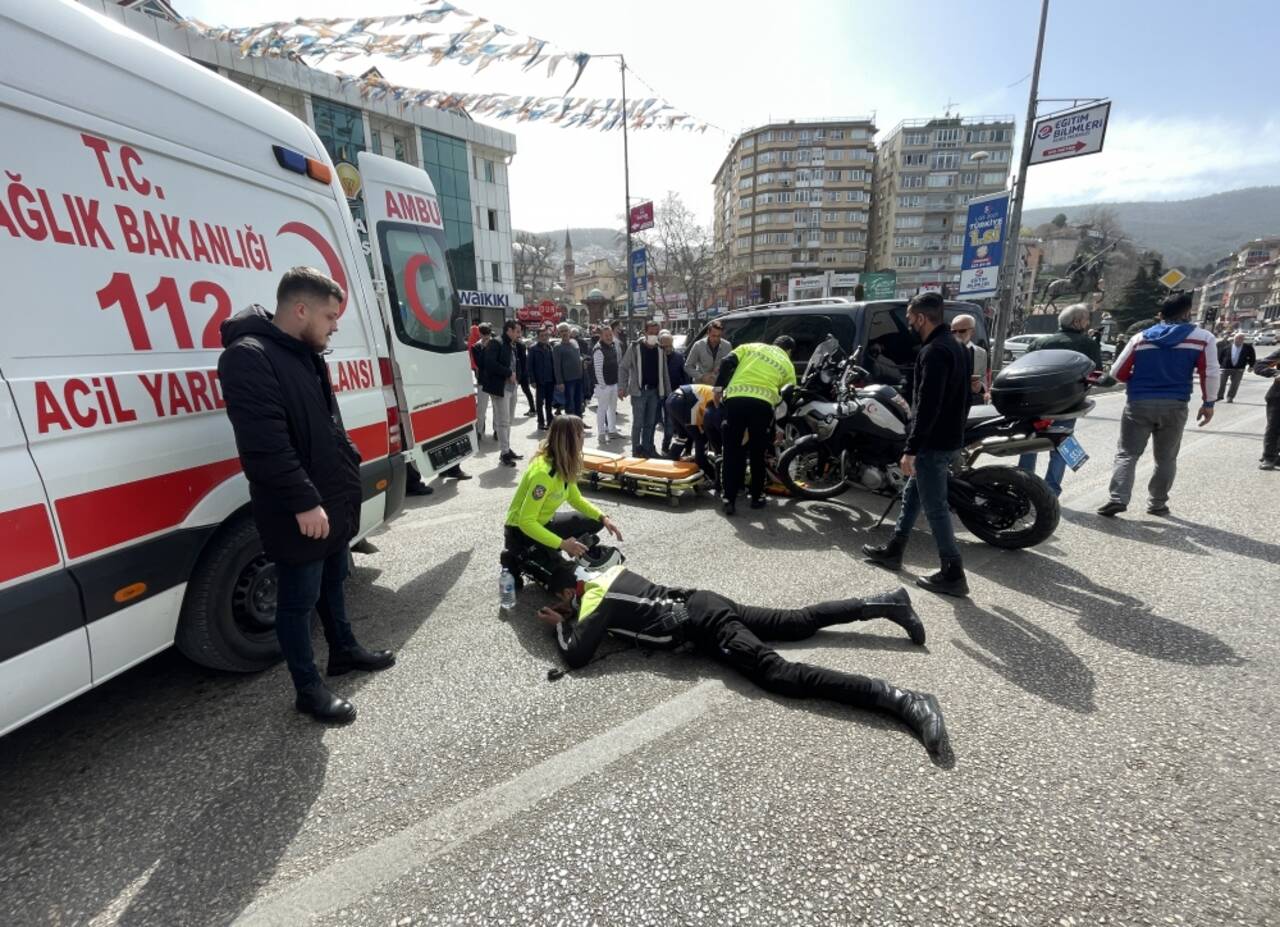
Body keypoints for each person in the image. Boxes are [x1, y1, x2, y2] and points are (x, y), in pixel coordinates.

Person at [218, 267, 394, 724]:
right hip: (298, 508)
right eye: (330, 316)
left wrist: (347, 459)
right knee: (296, 602)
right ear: (300, 309)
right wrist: (303, 502)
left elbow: (326, 423)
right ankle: (308, 688)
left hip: (330, 497)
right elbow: (265, 446)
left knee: (334, 580)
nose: (336, 325)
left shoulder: (306, 351)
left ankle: (344, 650)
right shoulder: (248, 356)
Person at [535, 565, 946, 755]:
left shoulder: (593, 600)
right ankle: (885, 602)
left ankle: (903, 699)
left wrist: (560, 624)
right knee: (797, 621)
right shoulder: (609, 573)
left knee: (778, 674)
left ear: (572, 591)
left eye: (562, 599)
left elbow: (577, 656)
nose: (564, 605)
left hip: (704, 626)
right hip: (704, 600)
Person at [862, 293, 969, 597]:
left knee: (935, 507)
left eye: (910, 318)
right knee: (912, 495)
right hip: (948, 437)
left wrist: (911, 448)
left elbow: (927, 405)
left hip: (933, 442)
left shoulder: (934, 351)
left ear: (921, 318)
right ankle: (894, 550)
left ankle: (953, 571)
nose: (908, 324)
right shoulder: (957, 347)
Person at [1097, 291, 1219, 517]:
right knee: (1165, 458)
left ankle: (1118, 498)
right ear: (1187, 312)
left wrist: (1136, 381)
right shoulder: (1203, 338)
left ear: (1161, 314)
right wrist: (1208, 402)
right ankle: (1157, 503)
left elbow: (1117, 371)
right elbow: (1210, 372)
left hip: (1139, 402)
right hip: (1175, 404)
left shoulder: (1141, 338)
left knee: (1127, 453)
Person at [502, 415, 623, 579]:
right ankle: (515, 558)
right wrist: (563, 544)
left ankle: (559, 550)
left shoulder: (562, 463)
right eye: (580, 435)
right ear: (569, 440)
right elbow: (526, 522)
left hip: (544, 523)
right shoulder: (544, 474)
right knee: (567, 581)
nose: (583, 439)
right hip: (521, 533)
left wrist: (603, 517)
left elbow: (575, 498)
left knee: (594, 520)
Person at [1015, 303, 1103, 497]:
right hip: (1069, 405)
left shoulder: (1041, 343)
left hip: (1036, 404)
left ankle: (1024, 486)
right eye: (1087, 319)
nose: (1088, 323)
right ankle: (1051, 491)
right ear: (1078, 321)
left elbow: (1022, 368)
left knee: (1030, 443)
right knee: (1061, 445)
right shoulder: (1087, 344)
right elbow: (1097, 374)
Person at [714, 335, 796, 515]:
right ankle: (756, 497)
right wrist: (780, 428)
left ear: (774, 343)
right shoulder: (788, 364)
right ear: (789, 351)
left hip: (735, 401)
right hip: (763, 406)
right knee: (758, 453)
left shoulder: (750, 346)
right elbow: (785, 399)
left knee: (732, 452)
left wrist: (718, 389)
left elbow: (727, 361)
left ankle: (729, 499)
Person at [619, 320, 671, 457]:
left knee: (650, 423)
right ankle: (636, 451)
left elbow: (664, 372)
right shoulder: (635, 347)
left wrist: (668, 393)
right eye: (651, 333)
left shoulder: (660, 349)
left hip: (654, 392)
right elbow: (624, 367)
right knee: (638, 423)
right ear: (645, 332)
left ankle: (647, 449)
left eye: (656, 333)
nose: (653, 335)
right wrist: (622, 387)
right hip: (639, 392)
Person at [480, 319, 521, 467]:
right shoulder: (496, 343)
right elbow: (490, 364)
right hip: (500, 388)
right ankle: (504, 453)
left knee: (509, 421)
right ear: (509, 330)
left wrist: (517, 378)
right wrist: (508, 373)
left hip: (511, 387)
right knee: (503, 422)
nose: (519, 334)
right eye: (517, 331)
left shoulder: (512, 344)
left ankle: (507, 449)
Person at [665, 383, 719, 486]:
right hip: (685, 401)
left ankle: (671, 458)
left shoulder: (717, 393)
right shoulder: (720, 401)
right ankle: (708, 471)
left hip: (672, 399)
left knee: (682, 435)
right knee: (701, 438)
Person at [659, 329, 690, 455]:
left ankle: (671, 447)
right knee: (664, 422)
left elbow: (685, 375)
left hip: (676, 395)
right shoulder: (657, 356)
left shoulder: (678, 357)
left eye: (669, 345)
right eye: (664, 346)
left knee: (674, 424)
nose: (667, 348)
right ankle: (664, 446)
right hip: (661, 393)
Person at [592, 325, 622, 443]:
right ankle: (601, 434)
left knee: (612, 409)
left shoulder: (613, 346)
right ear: (601, 336)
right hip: (603, 386)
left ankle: (612, 430)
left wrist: (617, 383)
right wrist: (603, 385)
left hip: (613, 383)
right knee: (602, 409)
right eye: (606, 335)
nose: (609, 337)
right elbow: (597, 369)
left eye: (610, 335)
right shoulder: (598, 349)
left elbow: (616, 364)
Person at [950, 313, 988, 406]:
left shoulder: (981, 353)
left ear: (972, 331)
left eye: (962, 331)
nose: (957, 334)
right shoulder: (945, 351)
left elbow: (984, 380)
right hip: (950, 402)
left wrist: (980, 387)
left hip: (973, 402)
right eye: (954, 331)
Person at [554, 323, 586, 419]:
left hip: (579, 377)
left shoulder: (574, 343)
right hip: (567, 380)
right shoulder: (557, 347)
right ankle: (570, 425)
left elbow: (578, 356)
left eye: (566, 330)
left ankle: (579, 423)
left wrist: (582, 362)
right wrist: (559, 382)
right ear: (559, 333)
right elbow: (556, 366)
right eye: (562, 331)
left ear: (569, 331)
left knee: (579, 402)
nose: (564, 333)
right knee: (570, 404)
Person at [686, 319, 732, 385]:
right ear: (708, 333)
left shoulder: (727, 346)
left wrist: (722, 368)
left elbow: (730, 366)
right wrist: (701, 376)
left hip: (719, 385)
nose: (716, 339)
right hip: (701, 385)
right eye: (713, 336)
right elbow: (688, 367)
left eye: (719, 336)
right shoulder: (698, 345)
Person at [528, 324, 557, 431]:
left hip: (550, 380)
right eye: (542, 336)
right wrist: (532, 380)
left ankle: (550, 420)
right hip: (539, 380)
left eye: (546, 335)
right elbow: (530, 366)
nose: (544, 337)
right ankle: (540, 422)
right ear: (538, 337)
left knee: (549, 402)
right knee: (539, 403)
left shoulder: (550, 348)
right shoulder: (533, 349)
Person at [1256, 349, 1280, 470]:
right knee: (1274, 426)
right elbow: (1259, 365)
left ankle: (1276, 455)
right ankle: (1269, 457)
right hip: (1278, 396)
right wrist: (1275, 372)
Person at [469, 323, 493, 441]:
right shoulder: (476, 347)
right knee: (481, 409)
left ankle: (497, 431)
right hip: (483, 381)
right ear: (480, 334)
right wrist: (484, 348)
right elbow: (480, 364)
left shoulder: (496, 344)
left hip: (496, 381)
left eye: (488, 336)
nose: (486, 338)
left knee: (497, 408)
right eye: (485, 336)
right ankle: (479, 431)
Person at [1217, 333, 1256, 403]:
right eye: (1237, 339)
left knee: (1235, 384)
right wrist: (1219, 365)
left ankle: (1230, 397)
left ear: (1243, 340)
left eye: (1241, 339)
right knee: (1221, 382)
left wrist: (1251, 366)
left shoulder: (1248, 348)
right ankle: (1219, 396)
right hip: (1225, 368)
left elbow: (1252, 357)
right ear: (1234, 339)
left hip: (1239, 369)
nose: (1238, 340)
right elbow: (1220, 357)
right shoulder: (1227, 347)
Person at [513, 324, 536, 416]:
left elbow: (521, 360)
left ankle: (533, 409)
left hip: (521, 372)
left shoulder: (519, 345)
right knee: (527, 391)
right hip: (522, 372)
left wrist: (521, 374)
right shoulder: (520, 344)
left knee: (525, 391)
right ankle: (533, 409)